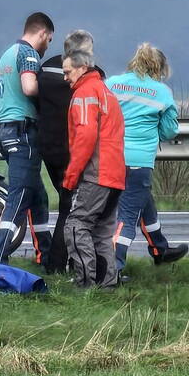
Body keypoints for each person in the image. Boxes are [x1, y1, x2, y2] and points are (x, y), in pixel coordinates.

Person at [106, 43, 188, 273]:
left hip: (112, 157)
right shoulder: (161, 92)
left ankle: (160, 249)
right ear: (160, 68)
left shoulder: (113, 83)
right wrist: (154, 133)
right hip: (139, 161)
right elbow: (170, 131)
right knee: (128, 215)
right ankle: (114, 268)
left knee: (143, 203)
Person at [0, 12, 53, 264]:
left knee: (38, 196)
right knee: (19, 195)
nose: (48, 46)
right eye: (49, 40)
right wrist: (51, 91)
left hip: (5, 130)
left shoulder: (7, 53)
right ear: (43, 33)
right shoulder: (28, 53)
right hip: (22, 132)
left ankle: (46, 257)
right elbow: (29, 87)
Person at [62, 49, 125, 288]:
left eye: (67, 72)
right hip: (116, 175)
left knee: (76, 225)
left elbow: (85, 137)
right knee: (101, 233)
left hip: (98, 174)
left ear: (82, 68)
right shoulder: (107, 93)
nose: (65, 77)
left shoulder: (85, 93)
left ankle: (85, 283)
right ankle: (108, 284)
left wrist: (70, 177)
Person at [37, 30, 95, 274]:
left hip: (48, 148)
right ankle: (60, 265)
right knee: (71, 208)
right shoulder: (88, 74)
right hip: (73, 149)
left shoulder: (46, 69)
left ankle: (58, 262)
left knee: (65, 204)